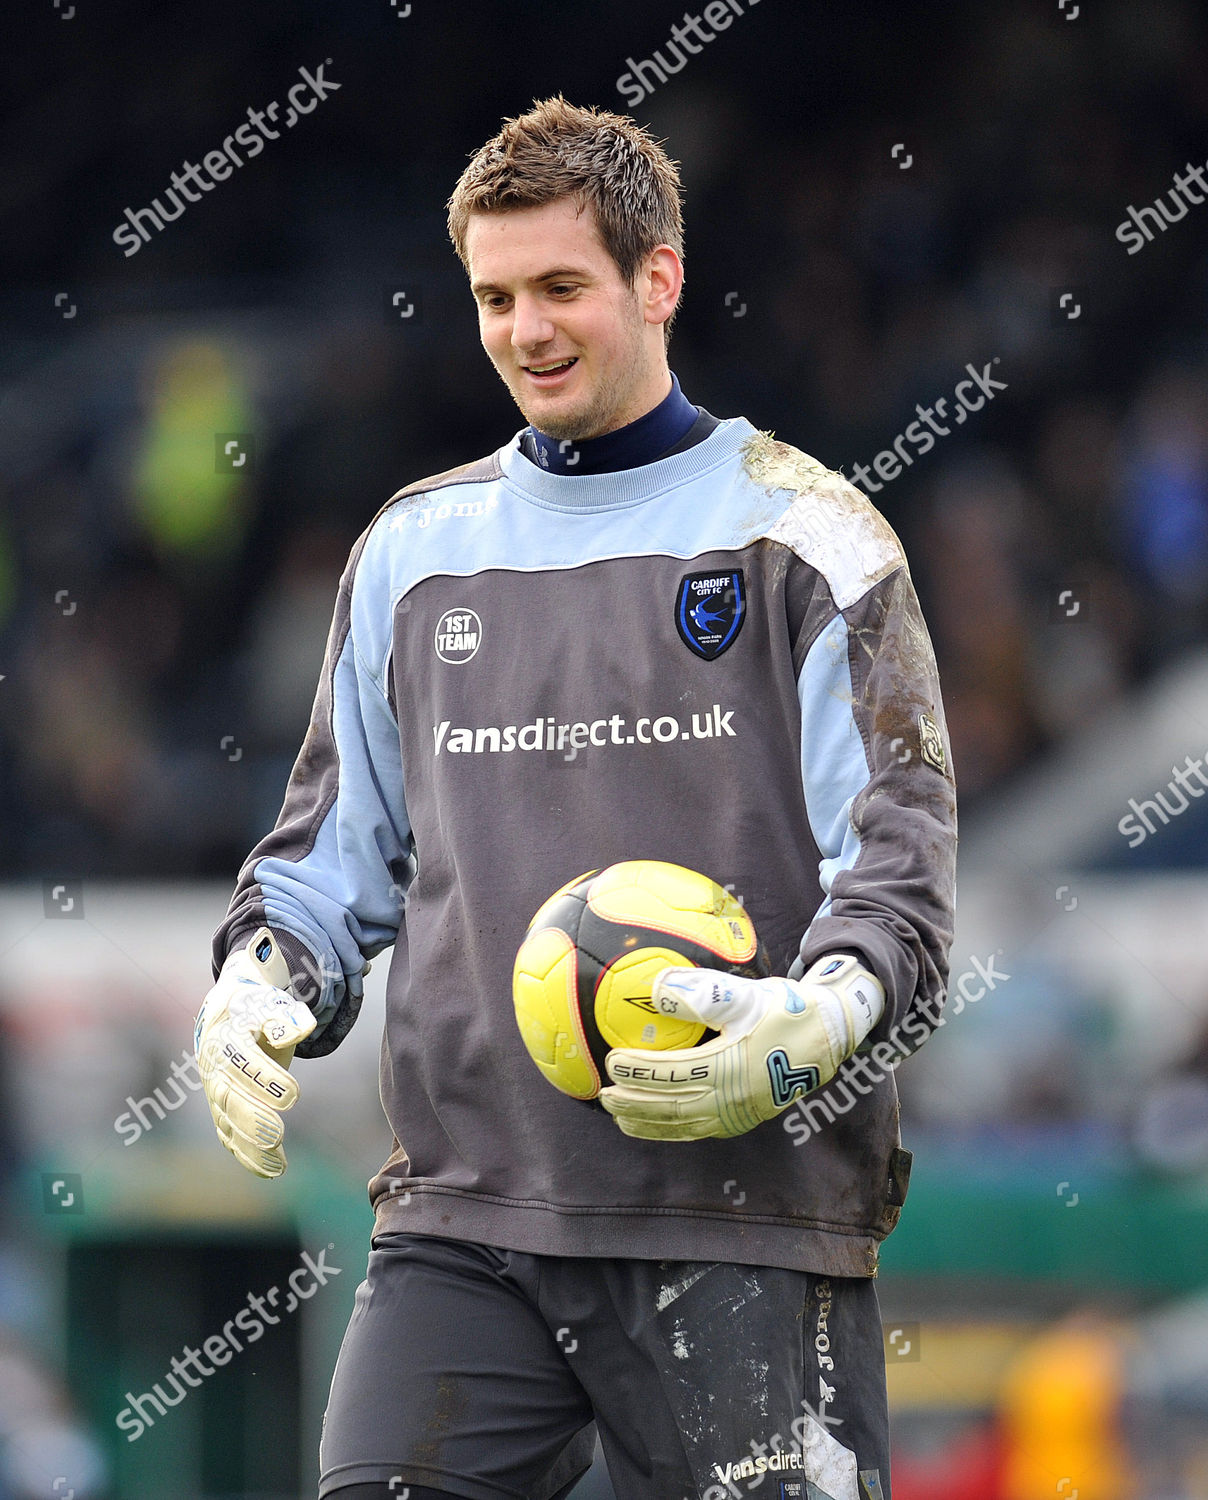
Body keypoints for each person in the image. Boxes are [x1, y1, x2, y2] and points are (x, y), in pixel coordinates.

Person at [195, 94, 957, 1500]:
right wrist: (259, 978)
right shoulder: (414, 556)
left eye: (561, 287)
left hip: (747, 1220)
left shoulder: (811, 538)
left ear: (657, 277)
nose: (524, 331)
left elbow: (898, 888)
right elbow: (326, 861)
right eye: (493, 296)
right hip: (466, 1220)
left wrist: (804, 1032)